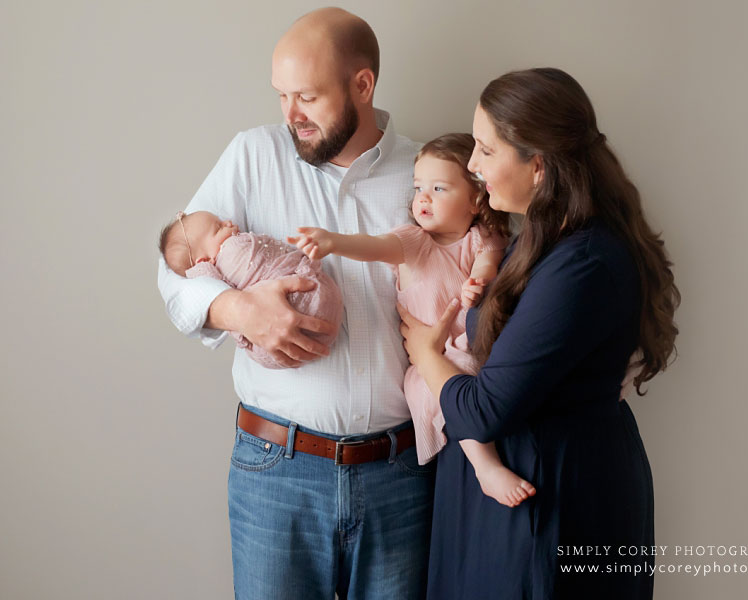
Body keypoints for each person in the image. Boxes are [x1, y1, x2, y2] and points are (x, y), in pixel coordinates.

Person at [156, 8, 433, 599]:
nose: (290, 115)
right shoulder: (253, 155)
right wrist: (239, 311)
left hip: (402, 476)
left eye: (307, 96)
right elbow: (173, 267)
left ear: (363, 85)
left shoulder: (423, 173)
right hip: (275, 470)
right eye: (281, 95)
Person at [398, 68, 680, 599]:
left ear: (539, 165)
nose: (474, 168)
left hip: (548, 498)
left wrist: (426, 354)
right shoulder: (544, 238)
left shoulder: (585, 264)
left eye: (485, 150)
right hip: (518, 490)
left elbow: (483, 409)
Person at [291, 133, 535, 507]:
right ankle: (484, 466)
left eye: (439, 188)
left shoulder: (484, 238)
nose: (423, 198)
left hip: (481, 348)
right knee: (449, 385)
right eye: (419, 187)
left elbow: (487, 265)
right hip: (430, 366)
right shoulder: (412, 241)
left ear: (475, 199)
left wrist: (477, 284)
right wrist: (334, 242)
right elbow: (372, 247)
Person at [158, 210, 344, 369]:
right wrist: (241, 311)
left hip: (278, 342)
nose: (229, 222)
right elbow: (179, 290)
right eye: (219, 227)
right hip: (288, 318)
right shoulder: (223, 256)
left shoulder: (205, 240)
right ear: (203, 261)